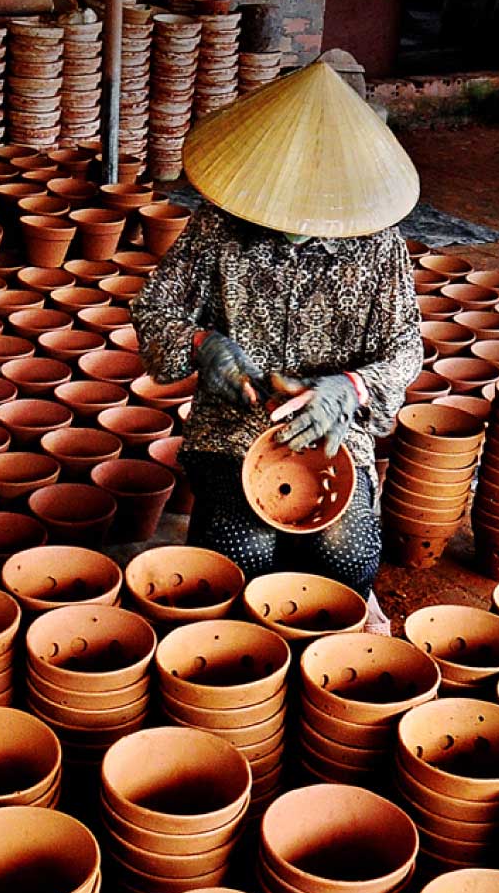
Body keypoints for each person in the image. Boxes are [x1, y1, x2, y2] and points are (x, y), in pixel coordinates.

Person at [132, 57, 423, 630]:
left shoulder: (378, 244)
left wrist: (351, 386)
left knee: (347, 557)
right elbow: (154, 307)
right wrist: (203, 342)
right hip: (232, 428)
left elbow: (406, 347)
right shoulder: (218, 225)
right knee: (242, 556)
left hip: (332, 429)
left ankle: (340, 617)